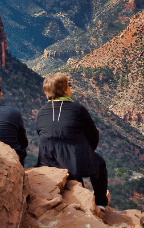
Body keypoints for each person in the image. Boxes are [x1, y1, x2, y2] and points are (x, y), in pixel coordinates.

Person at [36, 72, 109, 207]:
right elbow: (94, 136)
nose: (70, 88)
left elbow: (42, 135)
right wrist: (86, 151)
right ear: (64, 89)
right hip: (74, 159)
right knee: (100, 163)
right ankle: (100, 202)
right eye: (69, 85)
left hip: (47, 160)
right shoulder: (78, 109)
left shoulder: (41, 112)